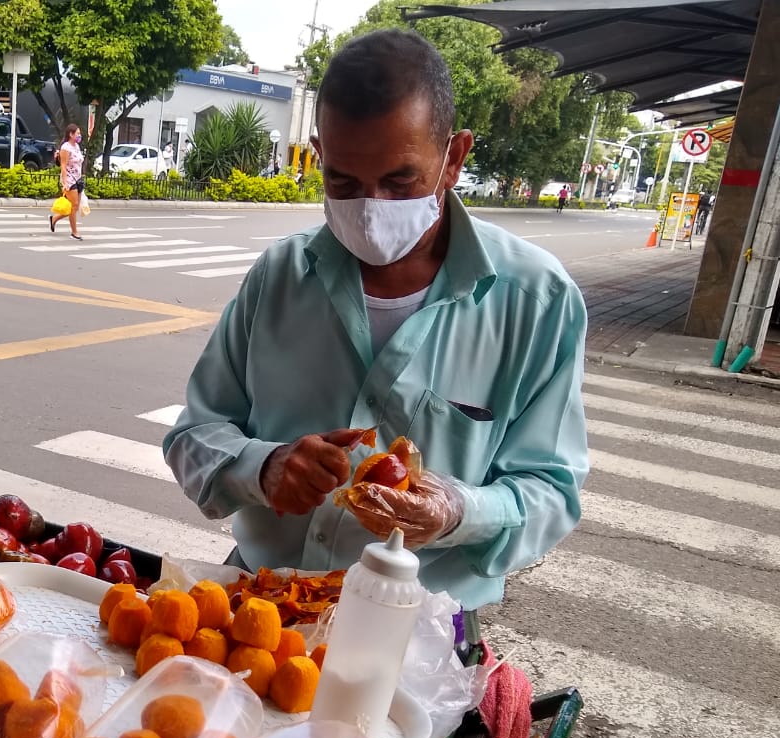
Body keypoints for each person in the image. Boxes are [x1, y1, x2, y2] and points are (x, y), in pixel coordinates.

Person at [163, 29, 588, 610]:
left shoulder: (537, 302)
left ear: (453, 158)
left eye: (399, 180)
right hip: (261, 604)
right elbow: (193, 435)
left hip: (416, 628)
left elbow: (552, 491)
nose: (371, 208)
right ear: (319, 154)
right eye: (342, 181)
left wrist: (458, 510)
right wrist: (263, 469)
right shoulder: (280, 276)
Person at [50, 123, 84, 240]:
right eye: (78, 133)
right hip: (69, 180)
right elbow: (63, 166)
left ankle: (54, 219)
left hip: (78, 179)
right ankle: (74, 232)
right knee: (73, 206)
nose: (80, 135)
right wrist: (65, 183)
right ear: (71, 134)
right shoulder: (66, 148)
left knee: (74, 207)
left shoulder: (76, 146)